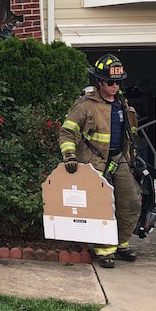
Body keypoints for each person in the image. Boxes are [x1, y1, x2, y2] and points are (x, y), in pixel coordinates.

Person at [59, 54, 141, 268]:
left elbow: (129, 133)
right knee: (102, 207)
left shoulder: (122, 103)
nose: (115, 86)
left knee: (131, 202)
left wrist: (132, 157)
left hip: (119, 159)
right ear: (99, 82)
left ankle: (121, 244)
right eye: (111, 82)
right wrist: (70, 156)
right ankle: (104, 250)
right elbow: (67, 133)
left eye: (119, 82)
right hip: (95, 162)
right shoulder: (86, 105)